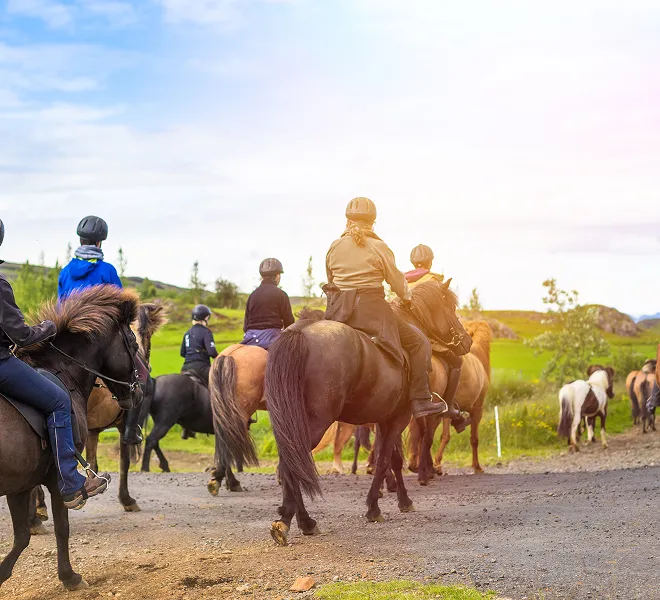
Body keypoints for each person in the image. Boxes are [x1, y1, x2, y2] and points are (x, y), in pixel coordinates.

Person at [0, 219, 111, 510]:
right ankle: (71, 483)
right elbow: (21, 336)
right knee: (60, 400)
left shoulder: (66, 271)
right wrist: (48, 329)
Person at [324, 197, 464, 420]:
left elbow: (330, 278)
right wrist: (407, 299)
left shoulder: (334, 246)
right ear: (373, 222)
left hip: (339, 311)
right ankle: (420, 400)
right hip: (372, 312)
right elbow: (397, 282)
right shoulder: (379, 247)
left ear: (347, 221)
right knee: (419, 343)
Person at [405, 244, 469, 433]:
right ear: (430, 261)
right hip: (425, 336)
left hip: (403, 332)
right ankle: (448, 405)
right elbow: (440, 315)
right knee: (456, 361)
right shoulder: (434, 281)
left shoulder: (402, 279)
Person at [58, 216, 122, 300]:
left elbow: (60, 307)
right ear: (98, 242)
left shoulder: (65, 273)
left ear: (80, 240)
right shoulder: (108, 271)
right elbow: (122, 304)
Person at [180, 304, 218, 439]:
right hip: (201, 368)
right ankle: (221, 420)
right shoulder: (206, 332)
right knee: (221, 388)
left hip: (185, 369)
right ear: (205, 318)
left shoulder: (187, 333)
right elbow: (212, 352)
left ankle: (186, 428)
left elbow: (182, 353)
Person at [241, 258, 295, 350]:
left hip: (251, 337)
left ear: (262, 276)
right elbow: (289, 321)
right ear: (277, 276)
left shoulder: (252, 295)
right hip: (272, 337)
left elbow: (246, 325)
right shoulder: (281, 294)